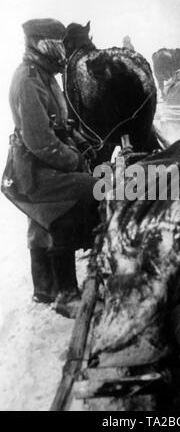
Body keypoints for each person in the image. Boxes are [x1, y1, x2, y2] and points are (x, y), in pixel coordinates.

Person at [1, 19, 99, 318]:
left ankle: (46, 288)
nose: (63, 51)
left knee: (44, 219)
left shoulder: (45, 76)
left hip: (41, 166)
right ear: (42, 44)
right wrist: (76, 161)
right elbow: (41, 141)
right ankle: (66, 292)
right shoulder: (29, 80)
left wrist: (83, 141)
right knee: (85, 191)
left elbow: (61, 123)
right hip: (30, 172)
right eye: (58, 45)